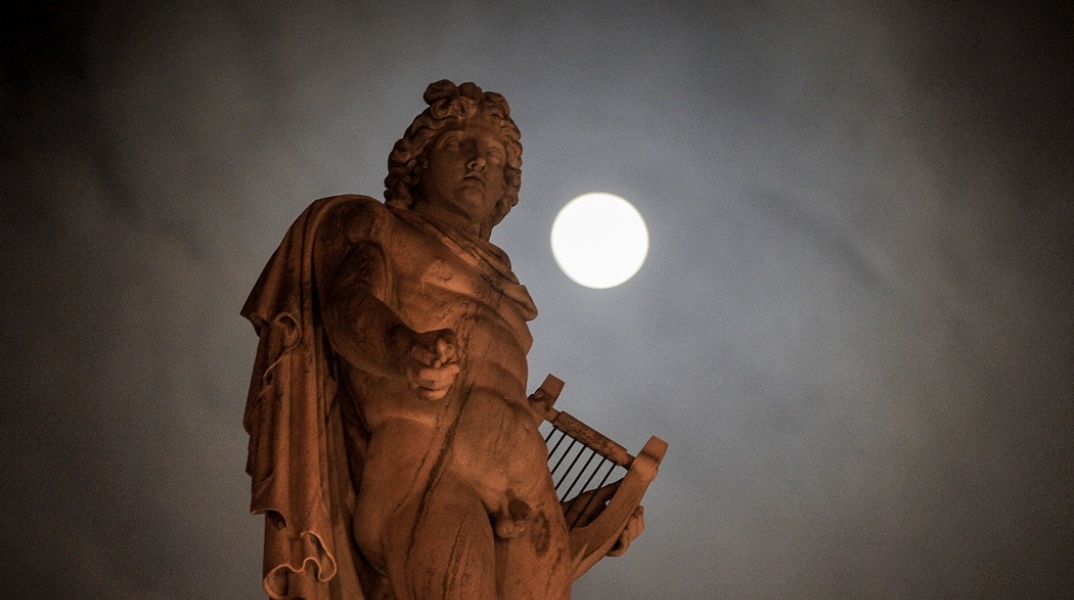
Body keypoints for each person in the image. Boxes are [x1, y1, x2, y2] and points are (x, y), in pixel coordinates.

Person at [242, 81, 580, 599]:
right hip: (427, 470)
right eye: (457, 145)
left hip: (526, 485)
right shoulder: (378, 227)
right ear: (418, 164)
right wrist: (404, 347)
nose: (477, 160)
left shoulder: (506, 286)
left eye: (493, 155)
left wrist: (589, 520)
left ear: (505, 189)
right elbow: (348, 308)